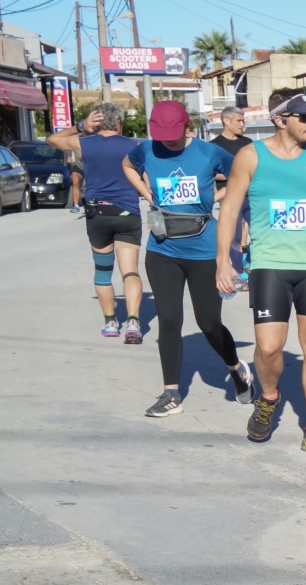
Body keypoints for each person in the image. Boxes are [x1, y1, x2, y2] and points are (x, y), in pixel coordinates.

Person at [214, 89, 306, 458]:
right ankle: (269, 396)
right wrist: (222, 260)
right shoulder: (251, 156)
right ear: (280, 120)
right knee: (268, 347)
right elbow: (229, 210)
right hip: (269, 265)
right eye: (304, 117)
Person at [122, 100, 252, 417]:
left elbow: (242, 178)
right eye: (162, 135)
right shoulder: (146, 149)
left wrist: (216, 196)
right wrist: (145, 192)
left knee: (209, 323)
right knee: (169, 320)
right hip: (162, 249)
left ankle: (236, 368)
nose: (168, 141)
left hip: (204, 249)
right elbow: (127, 165)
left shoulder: (209, 153)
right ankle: (171, 394)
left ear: (186, 126)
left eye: (174, 134)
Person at [47, 102, 143, 341]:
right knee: (130, 271)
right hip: (127, 214)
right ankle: (133, 322)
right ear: (119, 122)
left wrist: (81, 126)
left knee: (103, 272)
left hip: (97, 215)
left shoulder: (84, 143)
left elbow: (52, 139)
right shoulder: (134, 145)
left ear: (96, 122)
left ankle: (110, 322)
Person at [210, 106, 255, 290]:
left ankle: (254, 266)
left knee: (261, 232)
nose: (243, 125)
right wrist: (237, 174)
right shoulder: (214, 146)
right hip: (229, 197)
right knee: (234, 238)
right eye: (239, 121)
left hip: (252, 196)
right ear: (226, 121)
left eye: (243, 121)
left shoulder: (249, 143)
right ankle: (239, 276)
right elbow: (211, 172)